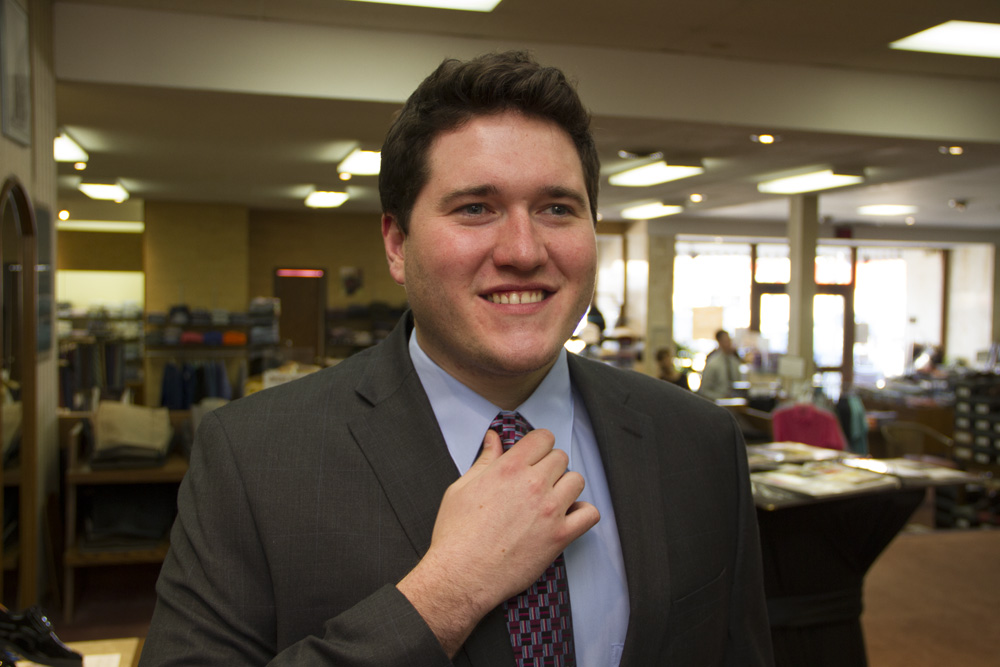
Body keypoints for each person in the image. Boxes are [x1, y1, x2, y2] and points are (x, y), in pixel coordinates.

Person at [140, 51, 773, 667]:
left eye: (557, 208)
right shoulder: (255, 458)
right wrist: (445, 594)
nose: (524, 250)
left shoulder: (698, 441)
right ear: (396, 244)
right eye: (476, 208)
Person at [699, 329, 744, 400]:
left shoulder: (734, 361)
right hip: (718, 401)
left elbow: (738, 383)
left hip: (735, 400)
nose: (728, 344)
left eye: (729, 341)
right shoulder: (713, 363)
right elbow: (704, 390)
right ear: (719, 342)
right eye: (725, 341)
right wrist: (720, 397)